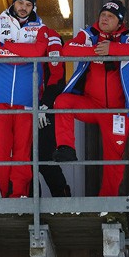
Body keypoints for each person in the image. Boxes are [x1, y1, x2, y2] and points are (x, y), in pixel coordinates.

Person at [53, 0, 129, 197]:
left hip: (117, 111)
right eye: (103, 14)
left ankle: (107, 202)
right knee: (62, 101)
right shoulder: (89, 34)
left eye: (110, 16)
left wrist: (112, 49)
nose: (105, 18)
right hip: (91, 105)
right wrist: (97, 50)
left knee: (114, 159)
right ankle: (66, 148)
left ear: (119, 22)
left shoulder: (128, 37)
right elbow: (68, 49)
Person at [0, 0, 50, 198]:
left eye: (28, 4)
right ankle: (6, 197)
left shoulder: (41, 28)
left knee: (23, 152)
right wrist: (25, 54)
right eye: (20, 2)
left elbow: (39, 51)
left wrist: (8, 47)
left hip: (27, 98)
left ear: (33, 7)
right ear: (13, 2)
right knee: (0, 152)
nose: (23, 7)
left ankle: (19, 195)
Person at [37, 27, 71, 197]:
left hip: (44, 108)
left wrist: (45, 104)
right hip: (23, 106)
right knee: (25, 161)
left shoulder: (51, 36)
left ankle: (63, 202)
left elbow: (57, 75)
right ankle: (30, 203)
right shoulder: (13, 34)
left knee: (44, 158)